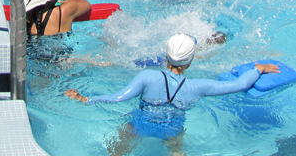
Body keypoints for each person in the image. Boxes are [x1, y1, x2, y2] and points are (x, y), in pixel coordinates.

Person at [65, 33, 280, 150]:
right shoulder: (198, 86)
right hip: (173, 129)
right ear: (191, 59)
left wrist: (84, 98)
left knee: (119, 149)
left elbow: (115, 98)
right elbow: (239, 85)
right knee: (177, 149)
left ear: (165, 55)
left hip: (138, 124)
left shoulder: (147, 76)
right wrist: (257, 69)